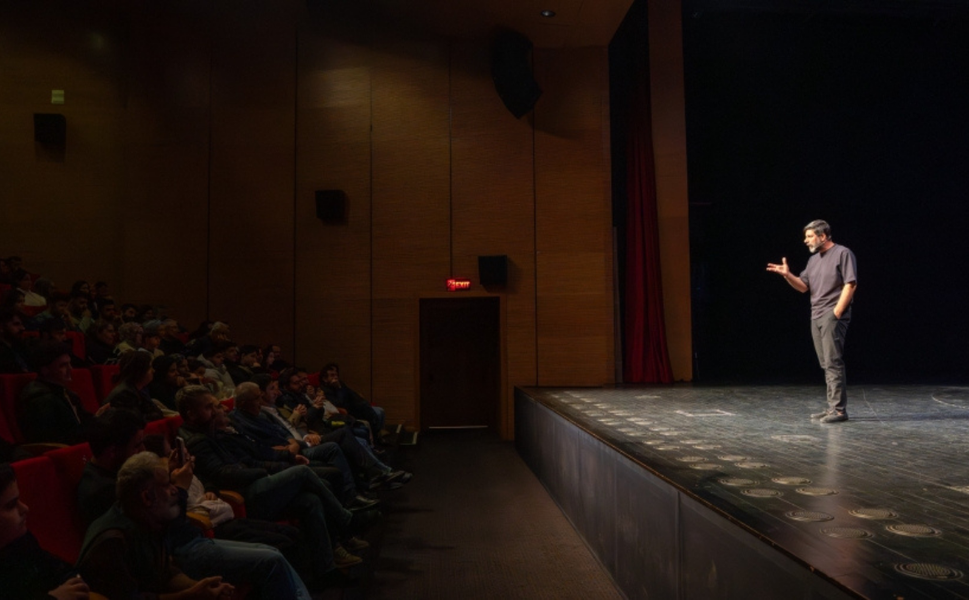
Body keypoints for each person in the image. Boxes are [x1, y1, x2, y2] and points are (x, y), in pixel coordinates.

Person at [76, 452, 237, 599]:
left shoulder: (148, 519)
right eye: (167, 485)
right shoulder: (112, 542)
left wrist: (200, 586)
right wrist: (191, 595)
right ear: (147, 497)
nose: (175, 489)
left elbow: (166, 574)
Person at [767, 219, 857, 423]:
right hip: (816, 314)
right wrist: (787, 274)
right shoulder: (814, 260)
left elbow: (850, 284)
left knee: (833, 361)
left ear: (822, 236)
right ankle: (832, 407)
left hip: (832, 314)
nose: (805, 240)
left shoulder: (843, 253)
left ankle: (839, 411)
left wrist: (837, 312)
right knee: (825, 362)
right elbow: (802, 287)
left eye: (809, 236)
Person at [0, 463, 91, 600]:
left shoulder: (21, 540)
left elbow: (56, 568)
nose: (25, 508)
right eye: (11, 505)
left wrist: (75, 581)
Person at [17, 341, 96, 444]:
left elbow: (83, 422)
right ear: (45, 370)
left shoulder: (67, 393)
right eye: (63, 365)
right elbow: (54, 439)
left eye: (70, 363)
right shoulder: (40, 400)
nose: (70, 369)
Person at [103, 350, 166, 421]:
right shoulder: (124, 394)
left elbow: (156, 412)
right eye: (149, 367)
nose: (153, 370)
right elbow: (137, 421)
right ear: (139, 371)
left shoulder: (139, 389)